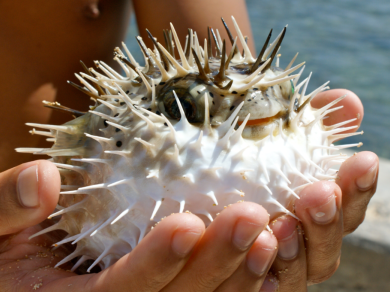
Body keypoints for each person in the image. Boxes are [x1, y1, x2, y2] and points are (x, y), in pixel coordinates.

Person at [0, 0, 379, 291]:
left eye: (285, 93)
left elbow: (219, 59)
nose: (263, 109)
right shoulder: (116, 142)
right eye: (189, 106)